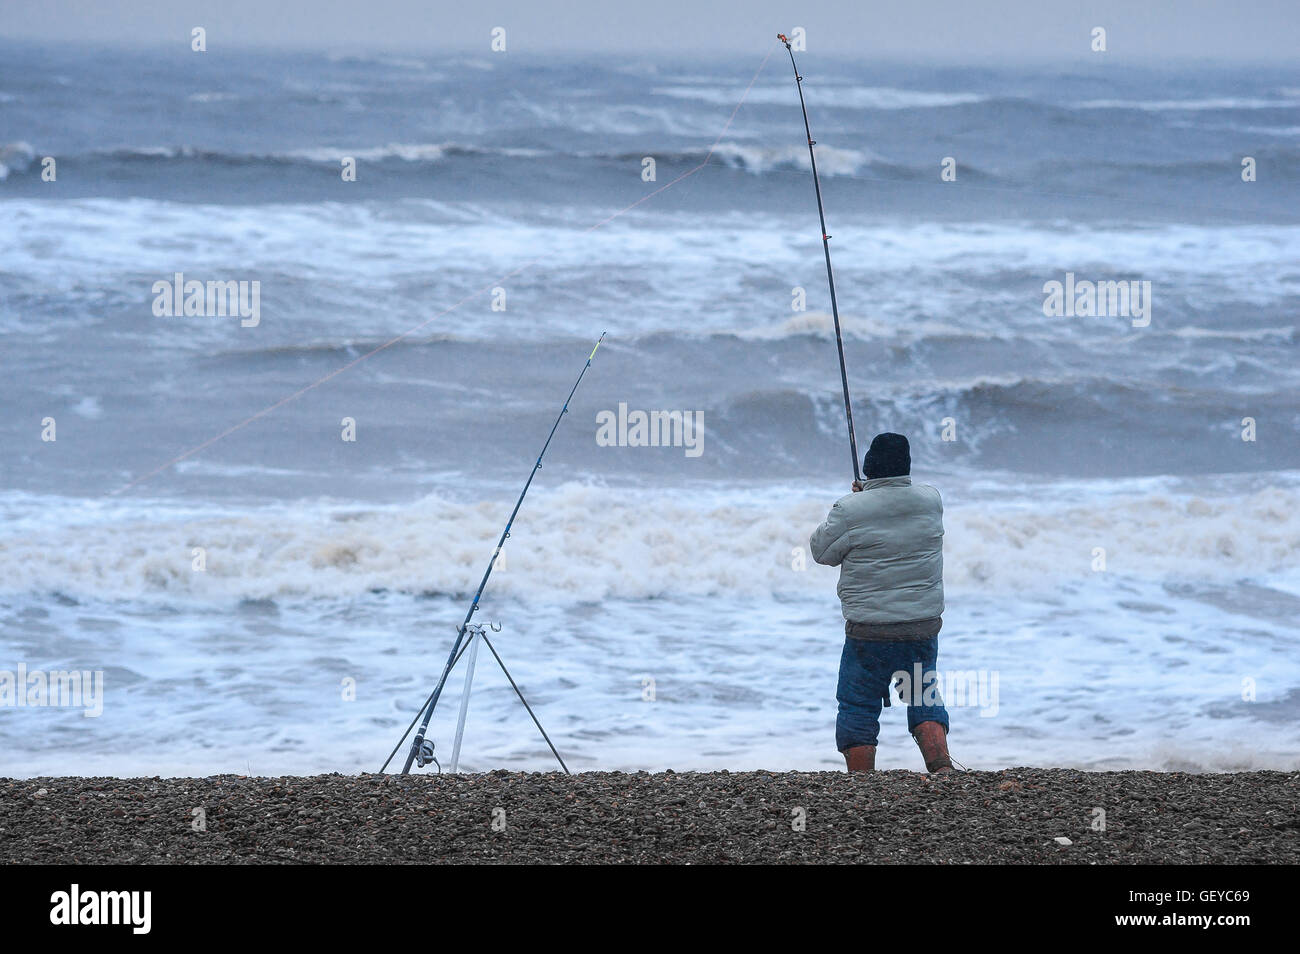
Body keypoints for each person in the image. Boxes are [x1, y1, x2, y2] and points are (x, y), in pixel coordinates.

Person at [809, 432, 953, 773]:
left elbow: (821, 552)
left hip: (869, 631)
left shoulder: (849, 509)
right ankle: (943, 769)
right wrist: (865, 500)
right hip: (921, 626)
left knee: (858, 702)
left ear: (869, 467)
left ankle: (862, 781)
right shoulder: (931, 500)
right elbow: (893, 509)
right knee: (922, 695)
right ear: (906, 466)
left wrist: (855, 500)